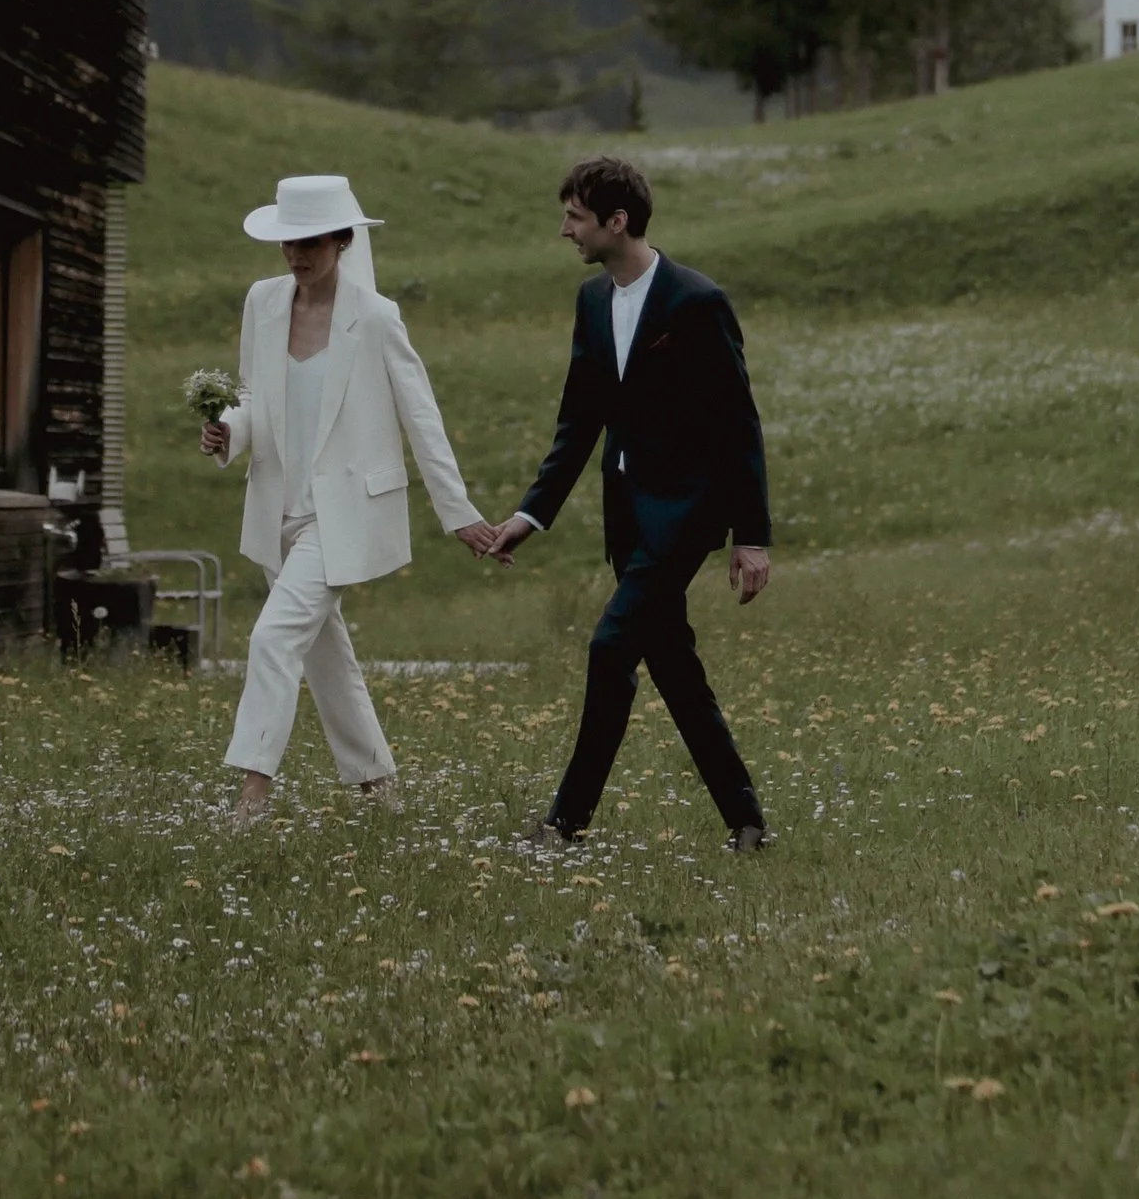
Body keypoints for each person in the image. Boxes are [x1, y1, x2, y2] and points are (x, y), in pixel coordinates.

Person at [491, 152, 771, 853]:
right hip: (627, 521)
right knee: (673, 665)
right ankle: (747, 821)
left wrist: (751, 535)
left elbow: (740, 423)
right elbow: (578, 423)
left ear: (618, 222)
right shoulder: (591, 302)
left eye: (576, 218)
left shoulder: (697, 302)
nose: (566, 231)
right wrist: (530, 516)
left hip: (686, 517)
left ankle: (563, 825)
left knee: (610, 648)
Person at [202, 172, 495, 827]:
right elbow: (252, 398)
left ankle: (251, 798)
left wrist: (460, 514)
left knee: (273, 639)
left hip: (341, 518)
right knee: (328, 660)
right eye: (287, 243)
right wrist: (227, 429)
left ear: (340, 240)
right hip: (277, 509)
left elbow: (422, 419)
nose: (296, 255)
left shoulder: (377, 317)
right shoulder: (263, 303)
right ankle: (380, 793)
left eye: (309, 241)